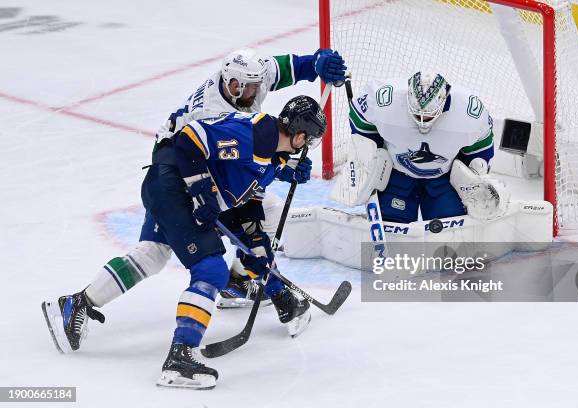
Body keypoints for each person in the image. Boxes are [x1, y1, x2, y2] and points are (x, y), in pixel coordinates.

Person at [41, 48, 346, 354]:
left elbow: (284, 69)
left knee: (155, 252)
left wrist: (316, 64)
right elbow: (207, 154)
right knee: (235, 237)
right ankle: (230, 293)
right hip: (179, 164)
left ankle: (77, 303)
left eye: (256, 86)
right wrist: (206, 192)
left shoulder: (251, 77)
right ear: (231, 85)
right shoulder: (214, 112)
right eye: (247, 88)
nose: (255, 93)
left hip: (180, 169)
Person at [148, 95, 326, 388]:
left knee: (256, 248)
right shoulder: (252, 134)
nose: (309, 147)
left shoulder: (273, 156)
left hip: (200, 199)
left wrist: (257, 245)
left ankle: (279, 296)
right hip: (174, 189)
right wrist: (201, 190)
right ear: (300, 135)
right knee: (211, 270)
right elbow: (189, 139)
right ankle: (179, 358)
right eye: (311, 139)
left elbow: (247, 202)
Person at [331, 71, 498, 222]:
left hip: (443, 180)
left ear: (444, 101)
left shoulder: (467, 112)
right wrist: (369, 151)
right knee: (390, 223)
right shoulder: (386, 99)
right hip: (397, 175)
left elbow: (481, 148)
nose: (422, 120)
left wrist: (473, 173)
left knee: (449, 228)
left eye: (428, 115)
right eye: (417, 113)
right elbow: (360, 119)